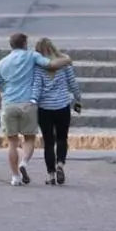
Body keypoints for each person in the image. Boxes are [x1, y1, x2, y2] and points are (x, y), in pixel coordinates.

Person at [0, 32, 71, 186]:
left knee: (12, 143)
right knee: (29, 138)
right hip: (28, 104)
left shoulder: (2, 63)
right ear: (25, 43)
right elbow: (50, 65)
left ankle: (15, 177)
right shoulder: (31, 56)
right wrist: (67, 59)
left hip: (9, 104)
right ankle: (24, 163)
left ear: (11, 45)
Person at [30, 37, 82, 185]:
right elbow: (73, 84)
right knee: (61, 138)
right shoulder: (64, 64)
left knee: (48, 142)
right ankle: (60, 164)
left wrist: (33, 101)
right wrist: (78, 98)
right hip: (62, 106)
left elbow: (36, 88)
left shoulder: (38, 68)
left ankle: (51, 175)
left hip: (44, 109)